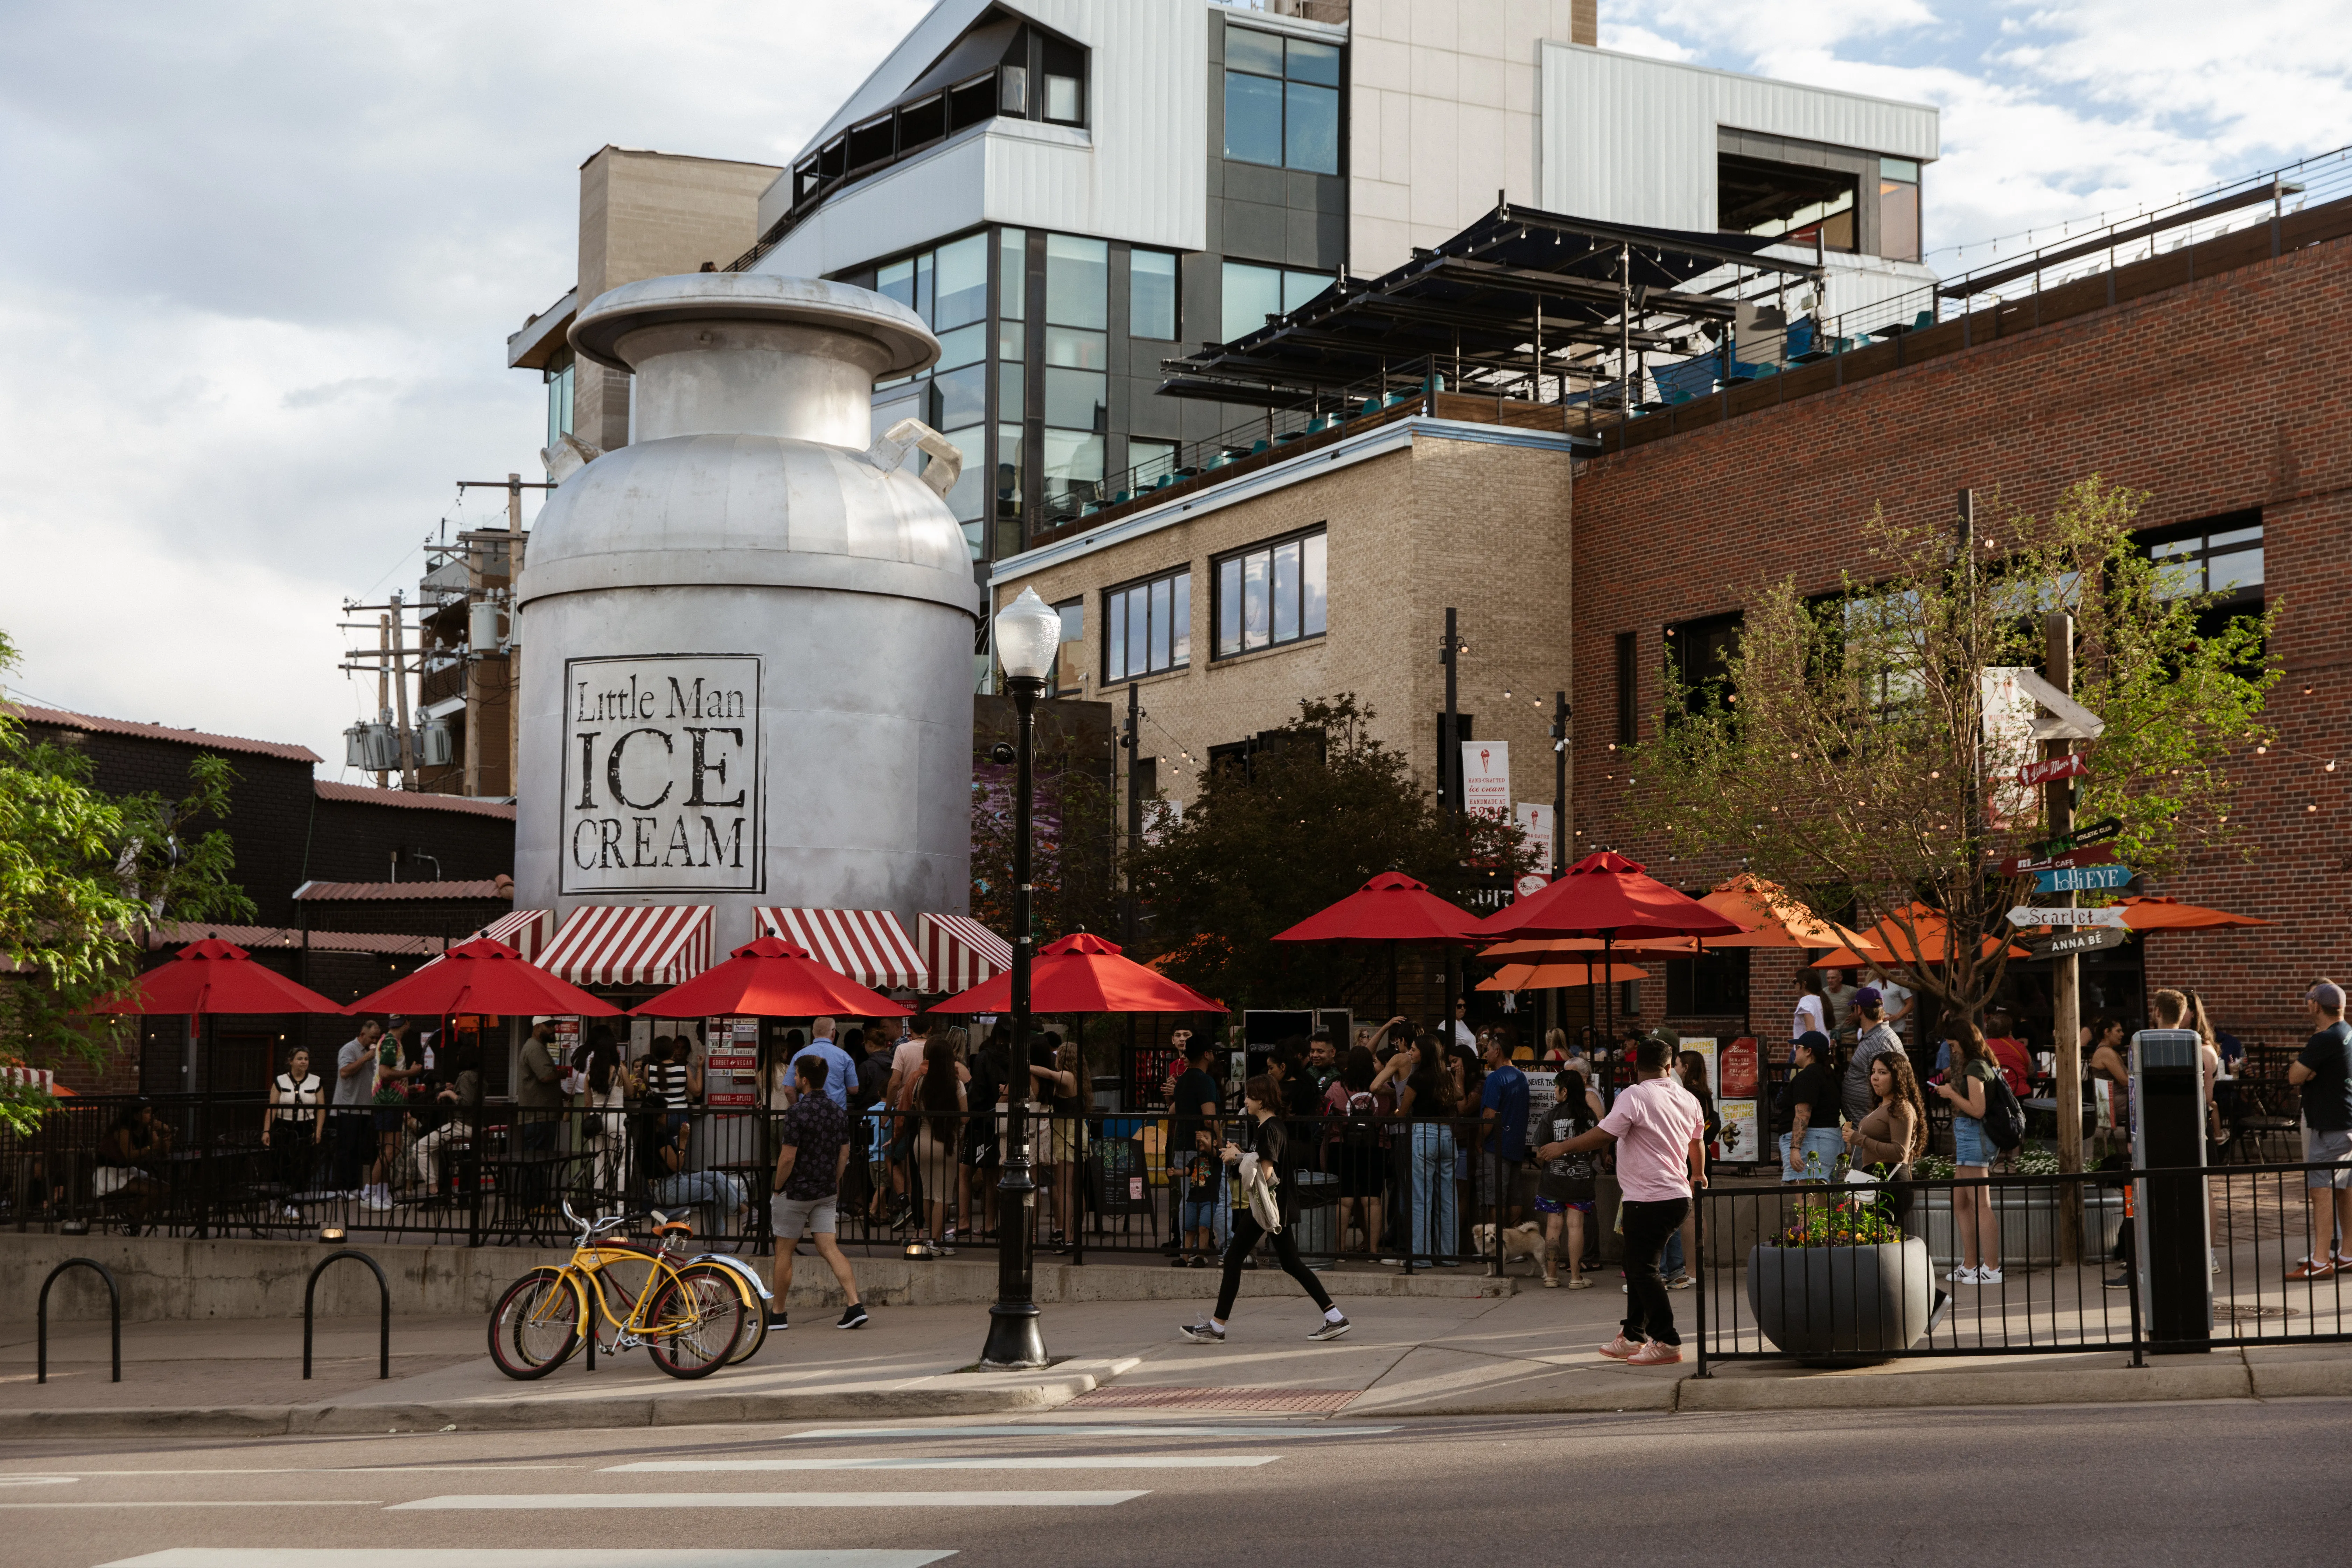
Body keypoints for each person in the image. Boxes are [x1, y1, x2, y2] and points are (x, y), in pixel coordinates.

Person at [1546, 1032, 1707, 1365]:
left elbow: (1605, 1132)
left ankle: (1667, 1340)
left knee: (1642, 1270)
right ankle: (1633, 1334)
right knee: (1638, 1268)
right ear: (1667, 1065)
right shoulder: (1688, 1098)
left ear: (1636, 1067)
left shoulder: (1634, 1095)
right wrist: (1698, 1174)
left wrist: (1563, 1146)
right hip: (1676, 1196)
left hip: (1648, 1198)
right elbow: (1697, 1142)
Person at [1179, 1074, 1353, 1344]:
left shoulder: (1269, 1129)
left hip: (1267, 1207)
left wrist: (1237, 1158)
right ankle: (1334, 1317)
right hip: (1275, 1207)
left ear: (1261, 1100)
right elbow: (1260, 1161)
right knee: (1291, 1263)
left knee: (1235, 1258)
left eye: (1249, 1096)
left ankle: (1217, 1326)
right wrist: (1240, 1155)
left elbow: (1265, 1171)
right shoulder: (1273, 1127)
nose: (1246, 1100)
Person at [768, 1054, 868, 1330]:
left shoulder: (797, 1113)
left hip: (796, 1191)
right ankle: (854, 1304)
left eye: (797, 1074)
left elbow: (788, 1157)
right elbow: (844, 1153)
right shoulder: (838, 1111)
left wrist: (778, 1188)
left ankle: (778, 1313)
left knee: (784, 1251)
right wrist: (832, 1180)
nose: (795, 1078)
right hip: (826, 1192)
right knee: (830, 1248)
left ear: (805, 1080)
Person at [2286, 980, 2352, 1279]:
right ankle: (2348, 1254)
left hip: (2328, 1125)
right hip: (2347, 1121)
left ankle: (2321, 1260)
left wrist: (2305, 1069)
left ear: (2315, 1005)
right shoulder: (2347, 1032)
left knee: (2320, 1190)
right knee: (2345, 1189)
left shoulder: (2324, 1039)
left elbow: (2294, 1076)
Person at [1933, 1018, 2004, 1285]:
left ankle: (1992, 1267)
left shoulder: (1976, 1067)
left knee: (1980, 1204)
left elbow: (1977, 1109)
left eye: (1953, 1045)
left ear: (1964, 1041)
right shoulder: (1984, 1064)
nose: (1953, 1051)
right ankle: (1972, 1264)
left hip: (1975, 1136)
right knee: (1961, 1202)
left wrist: (1951, 1094)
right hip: (1969, 1138)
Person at [1532, 1068, 1602, 1287]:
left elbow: (1539, 1153)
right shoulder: (1590, 1117)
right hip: (1580, 1180)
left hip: (1553, 1180)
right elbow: (1594, 1150)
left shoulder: (1551, 1116)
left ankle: (1551, 1277)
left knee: (1553, 1226)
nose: (1554, 1091)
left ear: (1564, 1091)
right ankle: (1575, 1277)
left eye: (1556, 1088)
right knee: (1576, 1226)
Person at [1399, 1025, 1462, 1267]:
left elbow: (1403, 1111)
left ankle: (1420, 1257)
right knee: (1448, 1198)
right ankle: (1449, 1255)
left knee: (1421, 1198)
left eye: (1414, 1050)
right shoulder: (1444, 1076)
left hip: (1423, 1133)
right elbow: (1458, 1096)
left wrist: (1396, 1111)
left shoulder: (1417, 1078)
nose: (1411, 1054)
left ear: (1423, 1053)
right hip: (1446, 1133)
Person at [1844, 1049, 1928, 1223]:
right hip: (1874, 1181)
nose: (1875, 1078)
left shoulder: (1900, 1107)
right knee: (1874, 1243)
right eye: (1873, 1072)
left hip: (1891, 1183)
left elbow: (1900, 1152)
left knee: (1883, 1245)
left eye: (1882, 1073)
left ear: (1898, 1077)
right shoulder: (1882, 1106)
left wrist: (1858, 1139)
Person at [1323, 1045, 1391, 1260]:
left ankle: (1340, 1250)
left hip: (1342, 1146)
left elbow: (1325, 1114)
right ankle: (1373, 1250)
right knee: (1372, 1200)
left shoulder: (1336, 1087)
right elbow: (1390, 1112)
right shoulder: (1382, 1088)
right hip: (1375, 1146)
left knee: (1344, 1200)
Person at [1659, 1048, 1718, 1288]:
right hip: (1703, 1156)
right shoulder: (1705, 1094)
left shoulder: (1688, 1093)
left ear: (1687, 1068)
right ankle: (1695, 1267)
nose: (1675, 1068)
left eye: (1678, 1064)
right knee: (1698, 1212)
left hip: (1690, 1156)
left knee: (1689, 1214)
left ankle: (1691, 1269)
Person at [643, 1107, 748, 1237]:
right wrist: (683, 1141)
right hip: (668, 1189)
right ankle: (715, 1240)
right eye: (666, 1112)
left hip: (673, 1182)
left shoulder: (650, 1136)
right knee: (713, 1192)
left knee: (715, 1177)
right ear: (658, 1117)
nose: (669, 1115)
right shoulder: (658, 1139)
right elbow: (677, 1166)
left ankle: (746, 1211)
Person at [1168, 1035, 1225, 1267]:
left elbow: (1172, 1111)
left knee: (1190, 1200)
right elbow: (1210, 1119)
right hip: (1202, 1152)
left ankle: (1186, 1251)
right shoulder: (1205, 1081)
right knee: (1217, 1198)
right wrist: (1221, 1145)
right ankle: (1228, 1248)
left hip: (1183, 1147)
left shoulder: (1182, 1082)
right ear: (1207, 1055)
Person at [911, 1031, 967, 1253]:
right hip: (946, 1141)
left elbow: (917, 1108)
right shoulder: (956, 1085)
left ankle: (928, 1238)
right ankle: (936, 1242)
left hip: (922, 1140)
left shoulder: (921, 1082)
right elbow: (964, 1116)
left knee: (927, 1192)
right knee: (942, 1195)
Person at [1034, 1031, 1085, 1254]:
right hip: (1075, 1133)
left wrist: (1024, 1065)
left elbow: (1048, 1073)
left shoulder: (1068, 1076)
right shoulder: (1079, 1077)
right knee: (1072, 1188)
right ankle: (1073, 1233)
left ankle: (1067, 1236)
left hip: (1067, 1135)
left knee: (1064, 1188)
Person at [1476, 1032, 1530, 1235]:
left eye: (1488, 1050)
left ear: (1496, 1051)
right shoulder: (1521, 1077)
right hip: (1516, 1146)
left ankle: (1498, 1245)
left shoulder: (1495, 1079)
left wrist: (1479, 1141)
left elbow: (1489, 1115)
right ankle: (1516, 1243)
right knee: (1514, 1197)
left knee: (1495, 1198)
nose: (1486, 1054)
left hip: (1496, 1146)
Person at [262, 1045, 323, 1214]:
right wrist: (266, 1131)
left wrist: (318, 1131)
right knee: (280, 1163)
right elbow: (272, 1108)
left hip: (305, 1127)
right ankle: (275, 1199)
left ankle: (293, 1204)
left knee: (302, 1165)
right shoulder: (280, 1081)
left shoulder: (316, 1081)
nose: (304, 1062)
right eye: (300, 1059)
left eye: (306, 1059)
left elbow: (321, 1108)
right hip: (284, 1126)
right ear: (291, 1062)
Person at [1774, 1031, 1842, 1183]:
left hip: (1811, 1142)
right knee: (1820, 1200)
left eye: (1798, 1047)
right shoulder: (1830, 1075)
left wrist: (1795, 1149)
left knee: (1807, 1201)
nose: (1795, 1051)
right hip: (1829, 1139)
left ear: (1809, 1051)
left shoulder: (1807, 1077)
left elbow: (1803, 1115)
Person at [94, 1100, 173, 1227]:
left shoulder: (147, 1129)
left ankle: (134, 1215)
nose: (151, 1115)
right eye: (147, 1112)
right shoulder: (123, 1130)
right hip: (112, 1173)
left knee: (166, 1188)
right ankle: (135, 1219)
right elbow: (129, 1155)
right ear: (136, 1115)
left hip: (128, 1172)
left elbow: (163, 1151)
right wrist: (152, 1148)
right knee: (155, 1191)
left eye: (152, 1112)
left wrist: (166, 1131)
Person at [330, 1018, 384, 1195]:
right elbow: (344, 1072)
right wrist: (366, 1058)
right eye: (372, 1038)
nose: (374, 1041)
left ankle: (353, 1186)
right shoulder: (349, 1049)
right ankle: (341, 1187)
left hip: (364, 1108)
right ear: (362, 1035)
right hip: (347, 1107)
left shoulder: (374, 1053)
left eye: (377, 1038)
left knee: (358, 1150)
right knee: (345, 1149)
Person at [577, 1025, 628, 1211]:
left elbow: (588, 1105)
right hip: (618, 1121)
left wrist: (586, 1124)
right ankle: (620, 1210)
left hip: (597, 1122)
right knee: (621, 1166)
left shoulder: (590, 1075)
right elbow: (630, 1091)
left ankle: (601, 1211)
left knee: (599, 1167)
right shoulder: (620, 1071)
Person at [1841, 987, 1900, 1127]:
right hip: (1865, 1125)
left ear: (1860, 1009)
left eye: (1853, 1009)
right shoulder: (1876, 1036)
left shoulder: (1879, 1042)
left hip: (1871, 1130)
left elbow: (1886, 1086)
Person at [790, 1017, 856, 1112]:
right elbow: (854, 1089)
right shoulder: (845, 1057)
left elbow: (789, 1090)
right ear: (834, 1033)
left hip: (806, 1113)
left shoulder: (799, 1055)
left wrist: (798, 1109)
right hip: (836, 1114)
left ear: (813, 1032)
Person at [1982, 1010, 2035, 1097]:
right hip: (2021, 1095)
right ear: (2009, 1030)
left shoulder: (1983, 1047)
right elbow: (2031, 1071)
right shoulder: (2020, 1047)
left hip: (1995, 1097)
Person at [1820, 968, 1859, 1047]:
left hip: (1849, 1035)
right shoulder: (1823, 993)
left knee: (1849, 1059)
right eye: (1828, 978)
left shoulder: (1851, 991)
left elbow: (1866, 1002)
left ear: (1840, 978)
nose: (1830, 980)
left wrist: (1856, 1014)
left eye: (1833, 978)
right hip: (1830, 1036)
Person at [1792, 973, 1827, 1050]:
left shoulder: (1806, 1001)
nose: (1794, 985)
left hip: (1806, 1052)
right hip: (1822, 1051)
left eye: (1796, 982)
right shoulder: (1822, 1001)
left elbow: (1811, 1030)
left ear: (1804, 984)